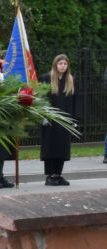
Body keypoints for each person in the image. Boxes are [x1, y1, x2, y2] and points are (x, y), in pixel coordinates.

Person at [42, 54, 78, 186]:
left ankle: (58, 174)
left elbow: (75, 101)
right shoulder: (47, 78)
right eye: (60, 63)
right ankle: (50, 175)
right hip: (50, 120)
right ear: (55, 64)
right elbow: (42, 99)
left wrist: (74, 119)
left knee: (62, 148)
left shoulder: (70, 80)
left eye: (65, 64)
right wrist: (43, 116)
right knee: (51, 147)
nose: (62, 66)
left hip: (65, 120)